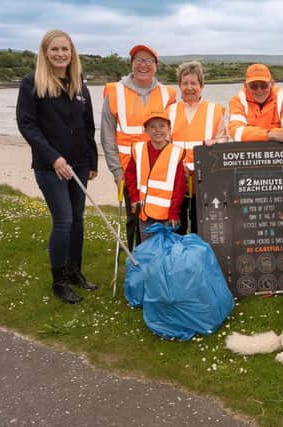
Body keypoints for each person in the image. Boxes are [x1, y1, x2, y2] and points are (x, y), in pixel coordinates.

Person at [16, 29, 98, 304]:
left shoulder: (79, 83)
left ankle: (75, 271)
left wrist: (92, 161)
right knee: (63, 220)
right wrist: (53, 158)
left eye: (65, 49)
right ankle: (59, 281)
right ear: (45, 52)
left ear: (72, 53)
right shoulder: (32, 83)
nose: (61, 54)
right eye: (55, 49)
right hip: (50, 166)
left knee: (78, 219)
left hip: (80, 163)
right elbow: (27, 125)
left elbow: (88, 126)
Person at [100, 44, 176, 248]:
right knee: (134, 217)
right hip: (129, 171)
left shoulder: (168, 94)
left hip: (161, 170)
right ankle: (136, 262)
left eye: (149, 60)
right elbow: (107, 136)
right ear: (131, 64)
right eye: (139, 60)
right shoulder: (114, 92)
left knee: (161, 217)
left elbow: (173, 132)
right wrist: (116, 171)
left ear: (156, 66)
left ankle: (160, 261)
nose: (144, 65)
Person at [170, 61, 228, 234]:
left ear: (201, 86)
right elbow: (165, 146)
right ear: (179, 86)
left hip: (204, 181)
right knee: (177, 229)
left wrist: (215, 144)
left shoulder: (216, 110)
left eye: (193, 83)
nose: (189, 88)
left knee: (201, 230)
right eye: (185, 83)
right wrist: (180, 168)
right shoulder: (169, 111)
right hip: (176, 181)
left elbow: (223, 141)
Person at [124, 109, 186, 242]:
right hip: (144, 213)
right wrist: (134, 198)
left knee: (166, 250)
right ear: (146, 130)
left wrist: (174, 211)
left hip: (166, 214)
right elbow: (130, 176)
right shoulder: (138, 150)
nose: (158, 130)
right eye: (152, 127)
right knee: (148, 248)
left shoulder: (176, 153)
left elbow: (179, 186)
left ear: (169, 128)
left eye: (162, 126)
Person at [228, 63, 283, 143]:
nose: (259, 90)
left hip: (278, 151)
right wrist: (269, 135)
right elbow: (236, 132)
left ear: (272, 84)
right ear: (245, 86)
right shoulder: (237, 100)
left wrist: (252, 135)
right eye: (253, 86)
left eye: (263, 85)